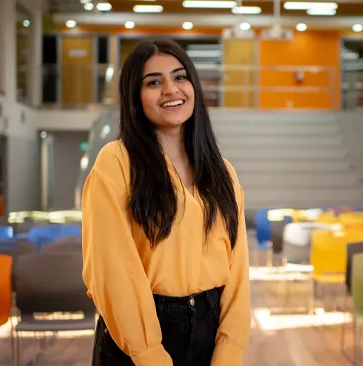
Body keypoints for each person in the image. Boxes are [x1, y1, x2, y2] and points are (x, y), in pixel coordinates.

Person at [81, 38, 250, 366]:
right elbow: (111, 268)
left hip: (210, 329)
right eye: (154, 82)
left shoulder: (221, 170)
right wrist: (148, 353)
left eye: (180, 77)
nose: (171, 89)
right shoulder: (116, 161)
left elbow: (238, 267)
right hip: (137, 334)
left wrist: (230, 348)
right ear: (135, 96)